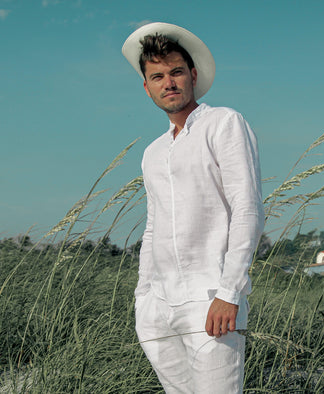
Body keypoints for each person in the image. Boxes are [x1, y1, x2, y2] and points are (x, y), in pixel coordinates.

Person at [121, 22, 264, 393]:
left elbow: (247, 209)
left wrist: (230, 293)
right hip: (158, 306)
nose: (168, 82)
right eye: (157, 76)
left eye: (176, 72)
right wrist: (143, 299)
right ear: (146, 86)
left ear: (193, 75)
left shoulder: (223, 124)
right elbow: (153, 227)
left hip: (209, 298)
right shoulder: (153, 152)